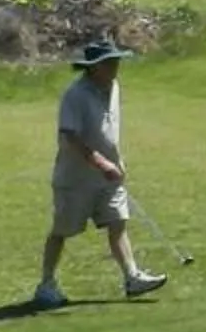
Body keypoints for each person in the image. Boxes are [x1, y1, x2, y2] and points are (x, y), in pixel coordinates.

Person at [33, 36, 166, 309]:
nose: (115, 67)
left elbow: (110, 130)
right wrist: (102, 163)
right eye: (109, 63)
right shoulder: (75, 95)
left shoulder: (114, 87)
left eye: (116, 61)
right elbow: (69, 136)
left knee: (118, 222)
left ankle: (132, 277)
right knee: (62, 231)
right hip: (75, 178)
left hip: (108, 176)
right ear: (93, 67)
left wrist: (117, 161)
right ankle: (46, 284)